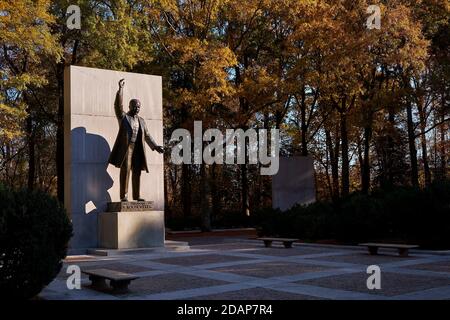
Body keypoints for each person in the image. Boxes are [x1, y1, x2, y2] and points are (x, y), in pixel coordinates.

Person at [108, 79, 164, 201]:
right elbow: (117, 106)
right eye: (135, 106)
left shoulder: (142, 121)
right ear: (130, 106)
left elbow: (147, 136)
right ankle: (124, 196)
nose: (137, 108)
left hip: (138, 148)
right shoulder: (124, 117)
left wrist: (155, 146)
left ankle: (137, 195)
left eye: (139, 107)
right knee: (126, 170)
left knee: (137, 171)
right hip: (127, 148)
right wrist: (120, 90)